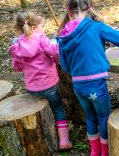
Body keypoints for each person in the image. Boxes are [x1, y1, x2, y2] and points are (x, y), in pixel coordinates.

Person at [57, 0, 119, 156]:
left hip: (78, 86)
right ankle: (105, 152)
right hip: (97, 85)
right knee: (103, 117)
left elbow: (66, 67)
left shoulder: (63, 35)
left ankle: (94, 151)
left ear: (69, 11)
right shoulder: (96, 27)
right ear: (89, 8)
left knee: (90, 117)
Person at [9, 10, 72, 150]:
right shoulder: (41, 38)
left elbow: (16, 67)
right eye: (42, 26)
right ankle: (64, 141)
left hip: (32, 88)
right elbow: (54, 52)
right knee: (58, 109)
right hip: (49, 85)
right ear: (33, 27)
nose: (43, 29)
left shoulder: (17, 45)